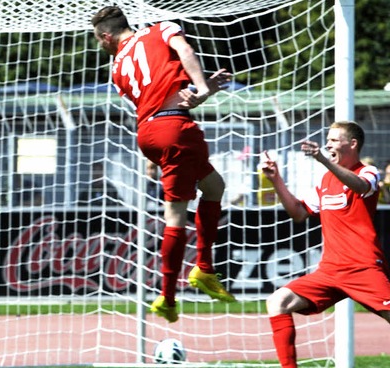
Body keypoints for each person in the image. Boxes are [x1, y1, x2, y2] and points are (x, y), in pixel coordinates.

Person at [91, 6, 236, 323]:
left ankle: (202, 270)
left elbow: (156, 96)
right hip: (176, 130)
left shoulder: (117, 68)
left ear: (105, 36)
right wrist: (200, 87)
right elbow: (184, 50)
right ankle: (173, 293)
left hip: (148, 134)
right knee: (176, 215)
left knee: (214, 186)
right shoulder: (160, 29)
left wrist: (204, 86)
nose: (100, 45)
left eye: (97, 41)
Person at [261, 121, 390, 368]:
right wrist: (276, 180)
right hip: (330, 271)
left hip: (362, 267)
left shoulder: (368, 172)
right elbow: (299, 213)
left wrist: (322, 158)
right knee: (278, 302)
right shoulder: (325, 181)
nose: (328, 144)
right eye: (327, 140)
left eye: (333, 140)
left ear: (352, 144)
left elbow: (361, 186)